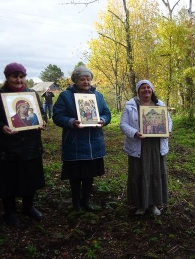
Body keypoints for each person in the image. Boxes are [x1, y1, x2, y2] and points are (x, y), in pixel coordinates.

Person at [53, 66, 111, 212]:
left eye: (88, 79)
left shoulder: (98, 96)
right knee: (75, 175)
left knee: (89, 174)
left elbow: (106, 113)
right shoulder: (65, 96)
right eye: (82, 79)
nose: (86, 82)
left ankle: (86, 200)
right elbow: (57, 116)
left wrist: (103, 120)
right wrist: (71, 122)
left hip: (93, 142)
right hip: (75, 142)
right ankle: (76, 202)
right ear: (75, 80)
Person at [0, 62, 47, 227]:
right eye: (15, 76)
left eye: (22, 76)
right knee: (9, 181)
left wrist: (42, 122)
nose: (19, 80)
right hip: (8, 148)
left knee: (30, 178)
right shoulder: (1, 94)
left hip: (32, 145)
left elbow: (41, 113)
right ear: (7, 77)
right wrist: (2, 127)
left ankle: (28, 207)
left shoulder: (31, 94)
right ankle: (10, 212)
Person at [120, 80, 172, 216]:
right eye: (143, 88)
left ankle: (154, 204)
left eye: (149, 87)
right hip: (138, 145)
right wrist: (134, 133)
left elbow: (168, 121)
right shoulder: (130, 105)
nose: (146, 90)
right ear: (138, 91)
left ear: (152, 90)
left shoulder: (159, 105)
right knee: (138, 173)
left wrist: (168, 130)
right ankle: (140, 205)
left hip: (155, 146)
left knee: (155, 173)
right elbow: (123, 124)